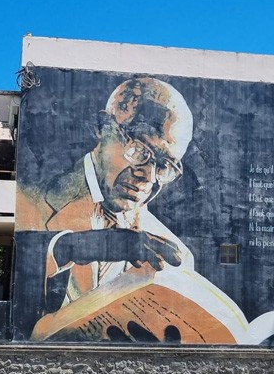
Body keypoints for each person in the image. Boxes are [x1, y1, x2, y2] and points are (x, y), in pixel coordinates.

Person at [16, 76, 195, 313]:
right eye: (139, 149)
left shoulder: (176, 256)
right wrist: (70, 248)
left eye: (164, 165)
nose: (149, 177)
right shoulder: (31, 201)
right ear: (102, 127)